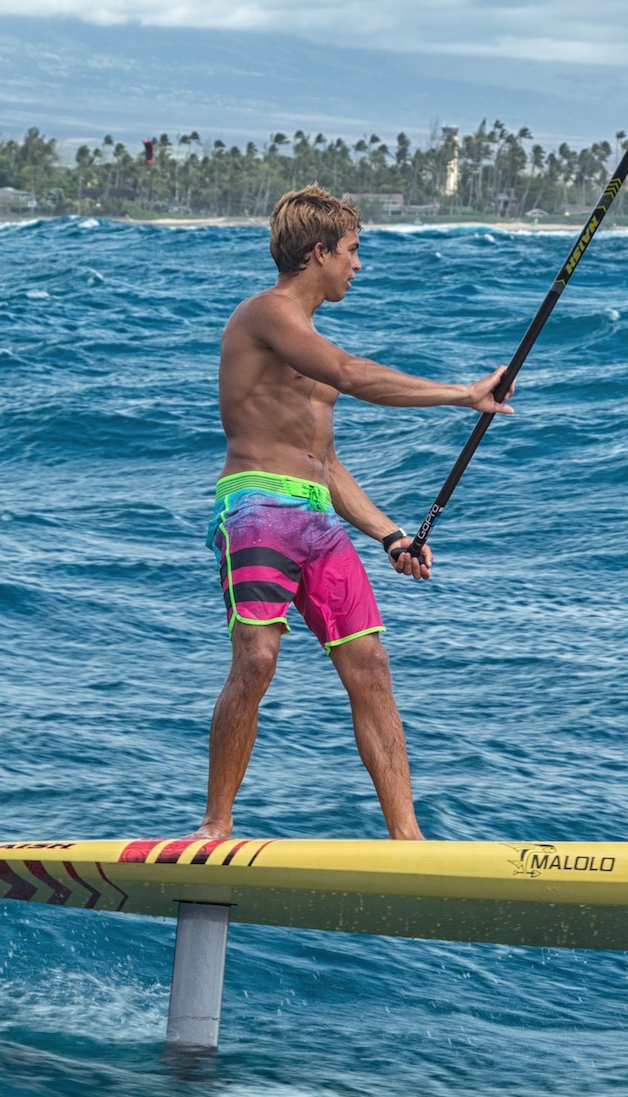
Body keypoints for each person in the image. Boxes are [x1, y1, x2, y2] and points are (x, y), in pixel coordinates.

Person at [191, 186, 512, 841]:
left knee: (369, 665)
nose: (357, 265)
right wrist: (462, 394)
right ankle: (215, 823)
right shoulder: (266, 315)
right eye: (352, 251)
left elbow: (327, 466)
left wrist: (390, 534)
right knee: (256, 659)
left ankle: (407, 836)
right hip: (256, 507)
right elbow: (350, 371)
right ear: (318, 253)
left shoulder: (304, 339)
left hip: (317, 522)